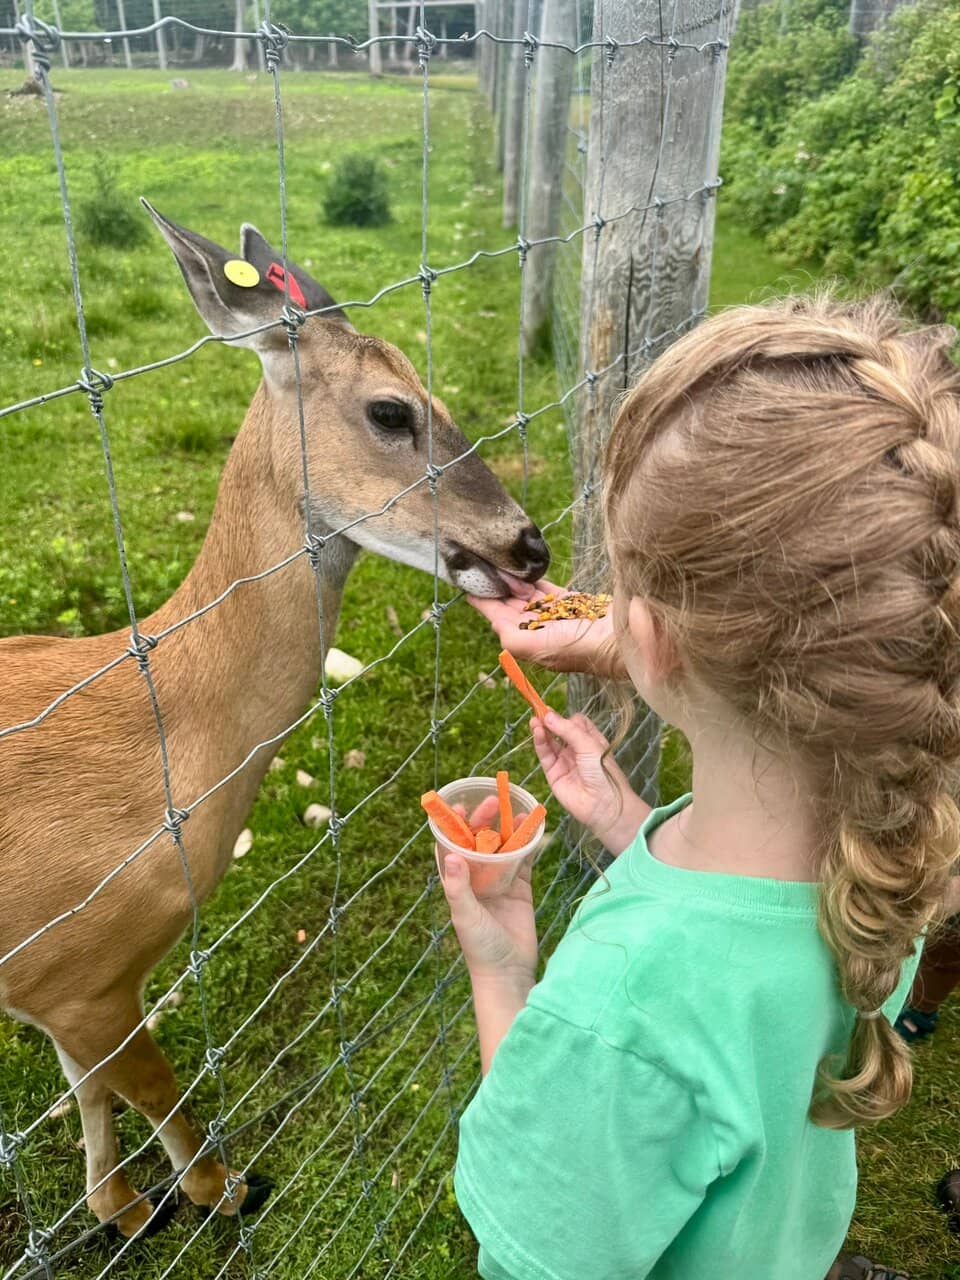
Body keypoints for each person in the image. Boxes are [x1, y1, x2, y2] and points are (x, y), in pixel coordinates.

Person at [439, 294, 960, 1280]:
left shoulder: (624, 1003)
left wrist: (501, 973)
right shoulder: (897, 844)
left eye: (622, 576)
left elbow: (553, 1238)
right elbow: (750, 952)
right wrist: (626, 820)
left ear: (655, 635)